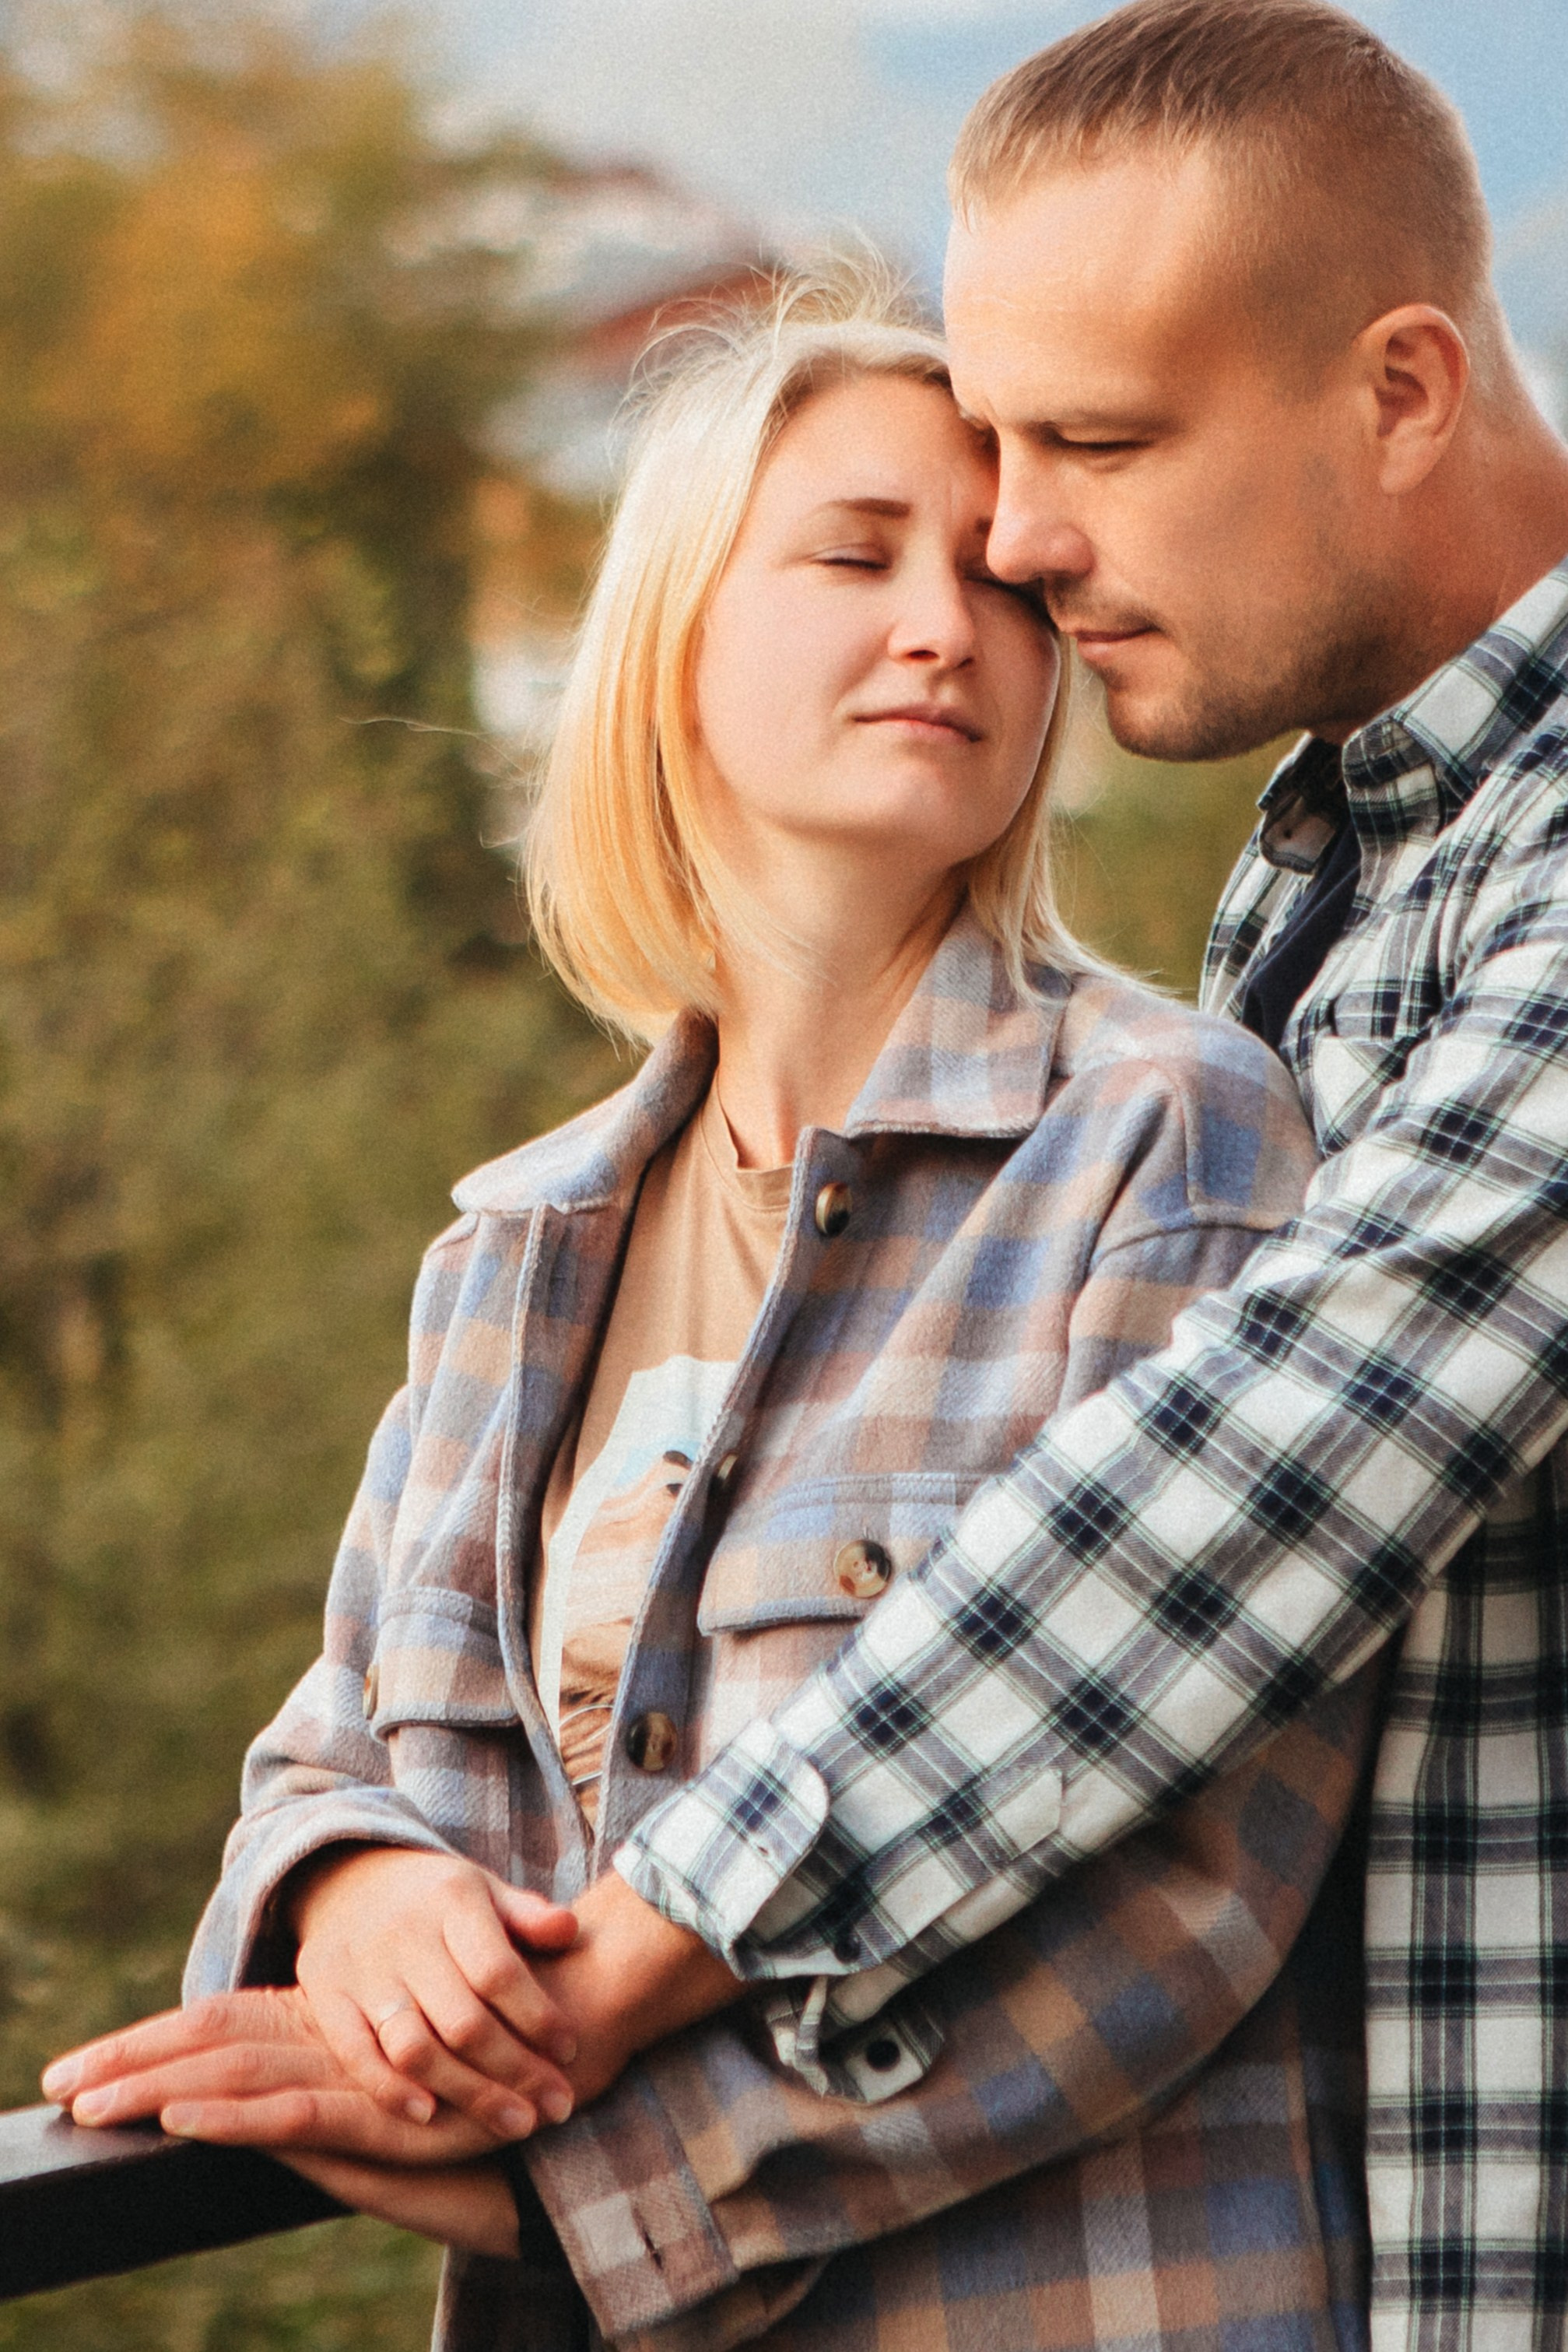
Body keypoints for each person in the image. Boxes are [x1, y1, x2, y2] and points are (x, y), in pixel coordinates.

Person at [44, 272, 1382, 2352]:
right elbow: (335, 1744)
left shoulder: (1166, 1137)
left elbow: (1197, 1870)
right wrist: (360, 1895)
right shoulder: (512, 1247)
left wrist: (598, 2191)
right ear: (673, 635)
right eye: (856, 556)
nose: (945, 624)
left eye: (999, 582)